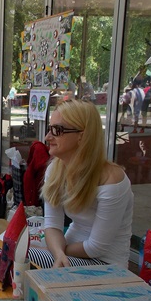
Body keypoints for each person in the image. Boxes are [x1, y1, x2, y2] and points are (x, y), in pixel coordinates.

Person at [27, 100, 133, 269]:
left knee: (21, 254)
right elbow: (52, 225)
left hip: (105, 265)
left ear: (82, 136)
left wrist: (59, 251)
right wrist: (58, 253)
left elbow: (96, 247)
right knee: (12, 247)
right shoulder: (55, 169)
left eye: (57, 130)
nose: (47, 137)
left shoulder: (112, 180)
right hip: (68, 253)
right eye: (49, 128)